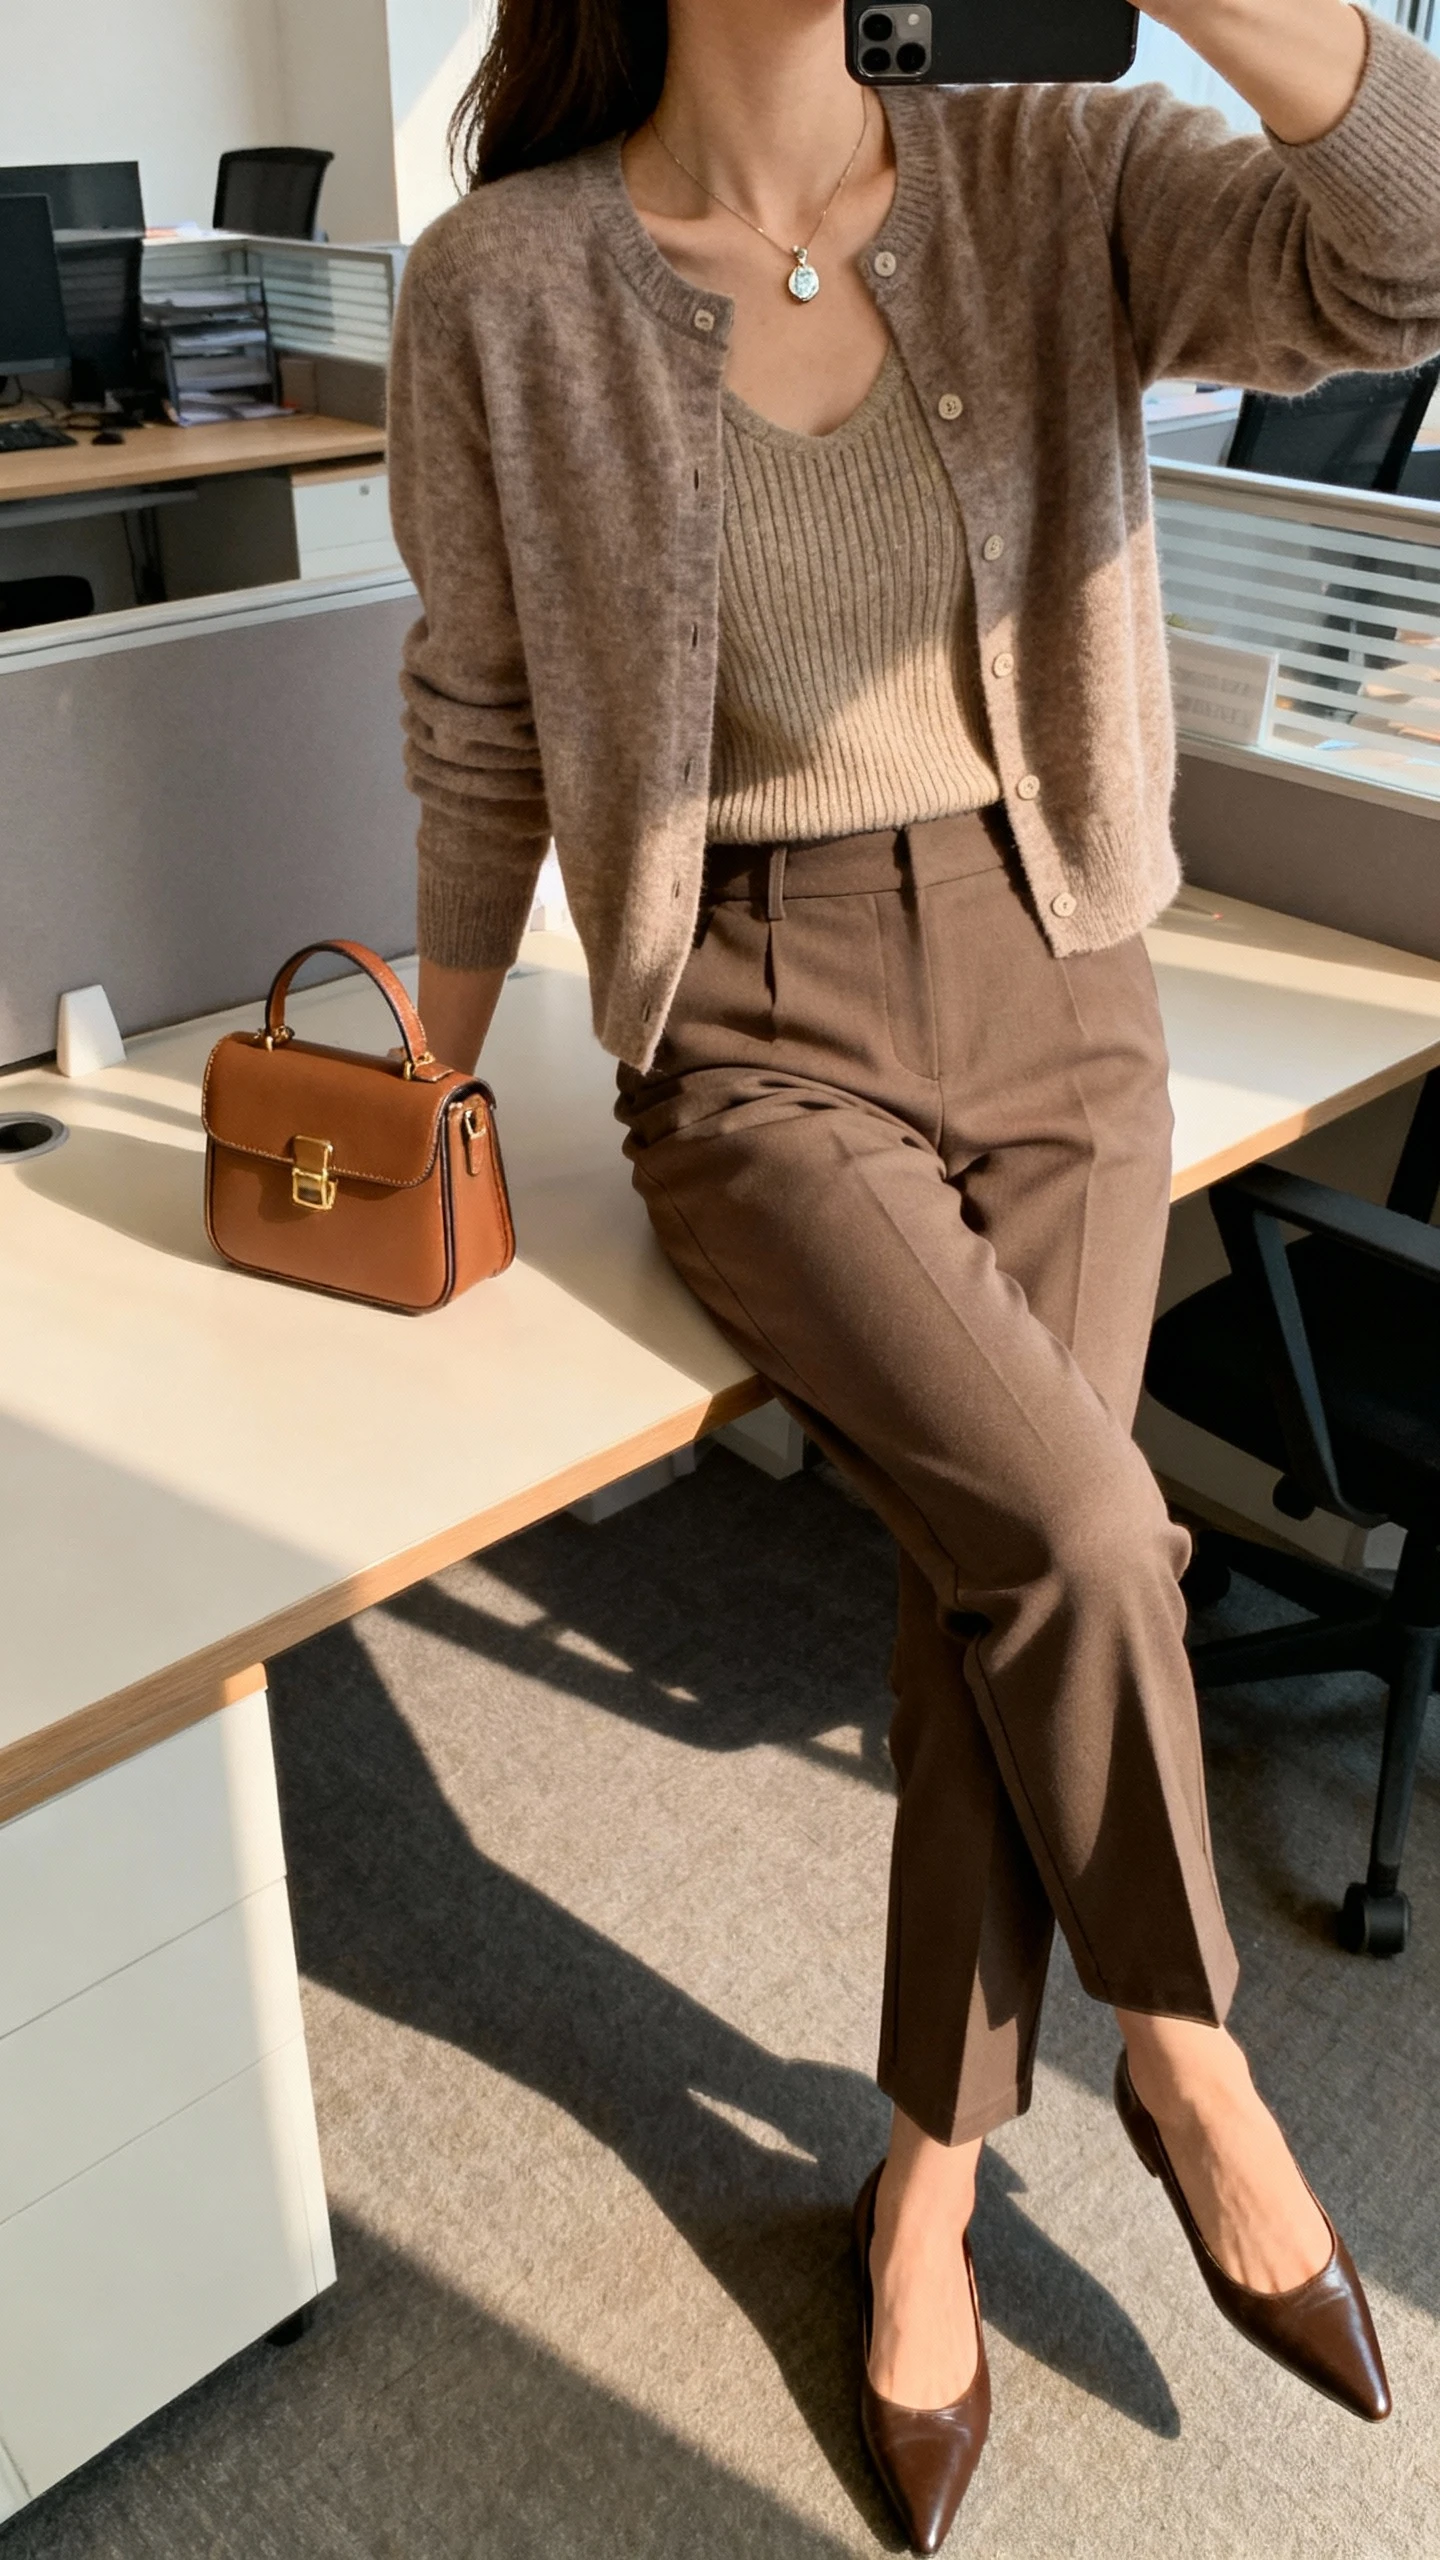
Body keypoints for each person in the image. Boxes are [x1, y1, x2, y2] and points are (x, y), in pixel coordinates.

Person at [388, 1, 1440, 2544]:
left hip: (1061, 963)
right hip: (750, 1029)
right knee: (1085, 1543)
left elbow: (1401, 262)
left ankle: (928, 2188)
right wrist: (427, 1083)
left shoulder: (1058, 174)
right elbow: (484, 713)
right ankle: (1185, 2049)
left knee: (995, 1590)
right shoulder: (502, 282)